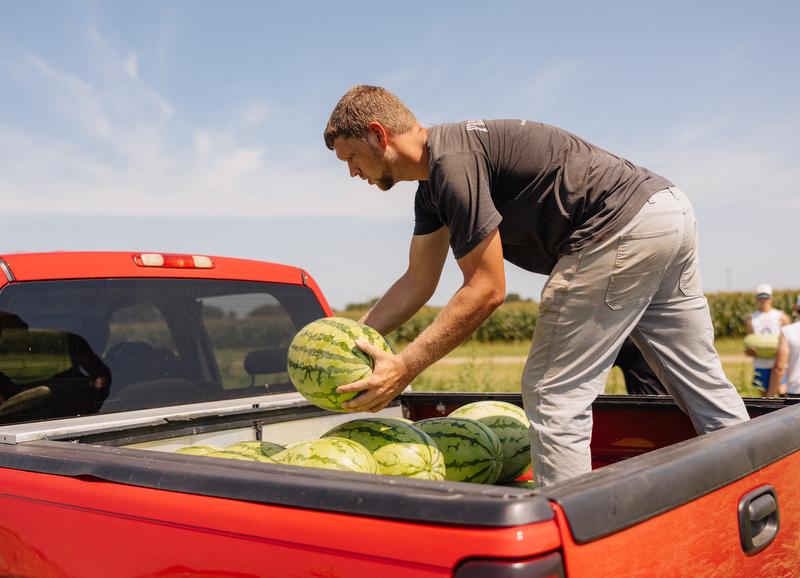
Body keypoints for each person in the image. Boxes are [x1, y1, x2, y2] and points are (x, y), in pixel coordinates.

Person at [323, 85, 750, 486]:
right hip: (665, 209)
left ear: (379, 135)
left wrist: (404, 367)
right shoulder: (434, 187)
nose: (351, 172)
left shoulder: (452, 164)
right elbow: (418, 280)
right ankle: (761, 491)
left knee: (552, 394)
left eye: (351, 157)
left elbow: (486, 290)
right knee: (700, 381)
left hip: (615, 226)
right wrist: (349, 340)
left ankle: (571, 538)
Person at [744, 284, 790, 393]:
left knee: (782, 393)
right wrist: (750, 351)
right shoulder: (751, 319)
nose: (764, 300)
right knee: (764, 397)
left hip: (779, 363)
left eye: (766, 297)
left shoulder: (781, 317)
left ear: (771, 298)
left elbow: (789, 341)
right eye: (761, 297)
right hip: (760, 365)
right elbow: (750, 343)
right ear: (756, 298)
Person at [767, 297, 800, 397]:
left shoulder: (788, 331)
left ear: (796, 309)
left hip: (796, 392)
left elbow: (779, 368)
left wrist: (770, 395)